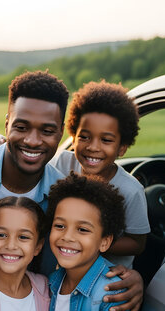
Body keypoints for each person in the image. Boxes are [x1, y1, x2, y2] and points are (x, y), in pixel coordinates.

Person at [0, 71, 144, 311]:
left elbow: (78, 249)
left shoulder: (62, 194)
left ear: (62, 132)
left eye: (47, 131)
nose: (32, 141)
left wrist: (132, 278)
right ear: (7, 123)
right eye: (21, 127)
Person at [50, 80, 150, 269]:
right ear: (73, 136)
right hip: (63, 272)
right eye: (84, 137)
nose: (93, 147)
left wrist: (92, 243)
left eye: (106, 140)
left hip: (106, 280)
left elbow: (137, 243)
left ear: (122, 147)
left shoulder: (131, 190)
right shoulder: (61, 163)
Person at [46, 173, 140, 311]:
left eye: (83, 229)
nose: (68, 236)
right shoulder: (51, 283)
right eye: (60, 226)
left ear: (104, 242)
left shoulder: (116, 297)